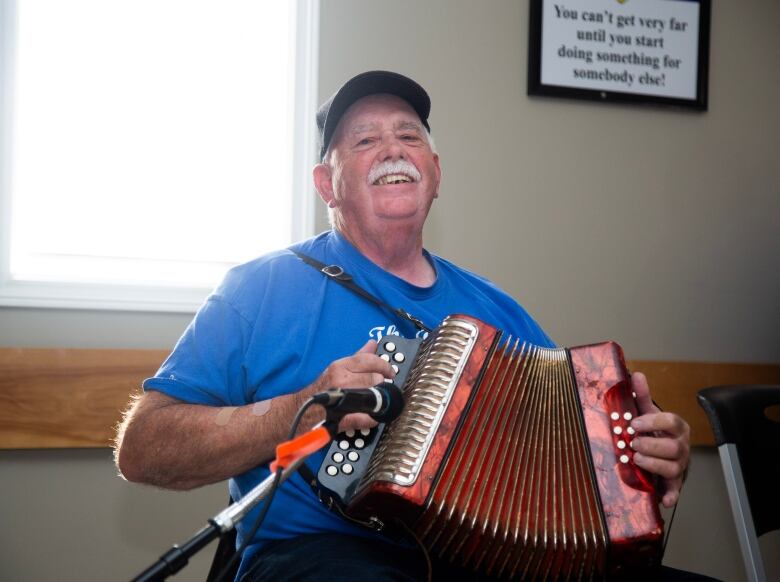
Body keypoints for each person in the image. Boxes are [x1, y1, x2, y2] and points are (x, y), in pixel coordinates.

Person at [115, 71, 695, 581]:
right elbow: (142, 450)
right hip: (315, 557)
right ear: (326, 184)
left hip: (481, 562)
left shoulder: (501, 312)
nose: (393, 149)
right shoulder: (259, 288)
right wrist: (304, 405)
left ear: (435, 173)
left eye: (409, 135)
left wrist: (643, 462)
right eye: (365, 140)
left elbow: (574, 462)